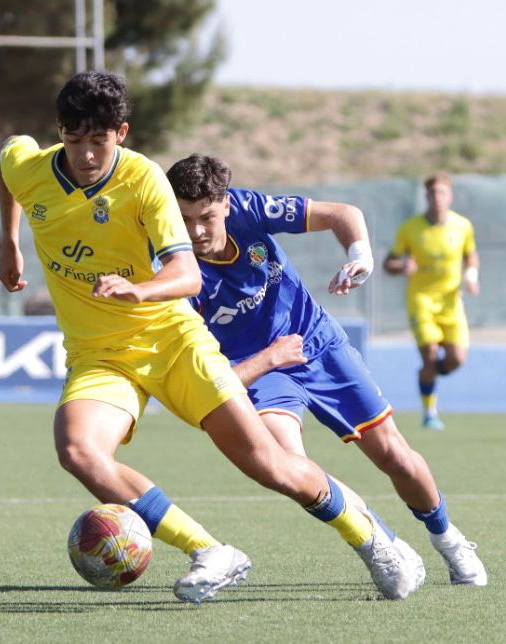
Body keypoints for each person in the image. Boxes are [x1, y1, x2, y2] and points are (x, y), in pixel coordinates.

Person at [0, 71, 418, 604]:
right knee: (79, 451)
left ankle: (373, 539)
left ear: (121, 133)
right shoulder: (29, 166)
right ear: (61, 131)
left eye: (99, 143)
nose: (86, 156)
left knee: (272, 467)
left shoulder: (145, 181)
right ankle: (210, 551)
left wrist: (139, 291)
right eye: (75, 141)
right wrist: (8, 244)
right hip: (100, 355)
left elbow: (188, 275)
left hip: (174, 342)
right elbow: (8, 164)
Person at [165, 153, 487, 588]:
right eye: (185, 218)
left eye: (206, 216)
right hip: (261, 369)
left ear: (225, 204)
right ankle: (385, 542)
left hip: (318, 343)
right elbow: (204, 383)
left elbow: (343, 214)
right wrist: (269, 359)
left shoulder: (249, 208)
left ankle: (449, 539)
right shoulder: (170, 267)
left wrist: (360, 256)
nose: (196, 231)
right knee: (291, 467)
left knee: (395, 456)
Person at [383, 172, 480, 431]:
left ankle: (427, 375)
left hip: (451, 301)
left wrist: (471, 276)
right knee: (430, 354)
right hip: (422, 300)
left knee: (456, 359)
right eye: (433, 193)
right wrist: (402, 265)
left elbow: (471, 256)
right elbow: (387, 263)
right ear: (426, 196)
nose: (438, 198)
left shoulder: (462, 226)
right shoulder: (410, 228)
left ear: (450, 196)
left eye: (442, 193)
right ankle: (429, 412)